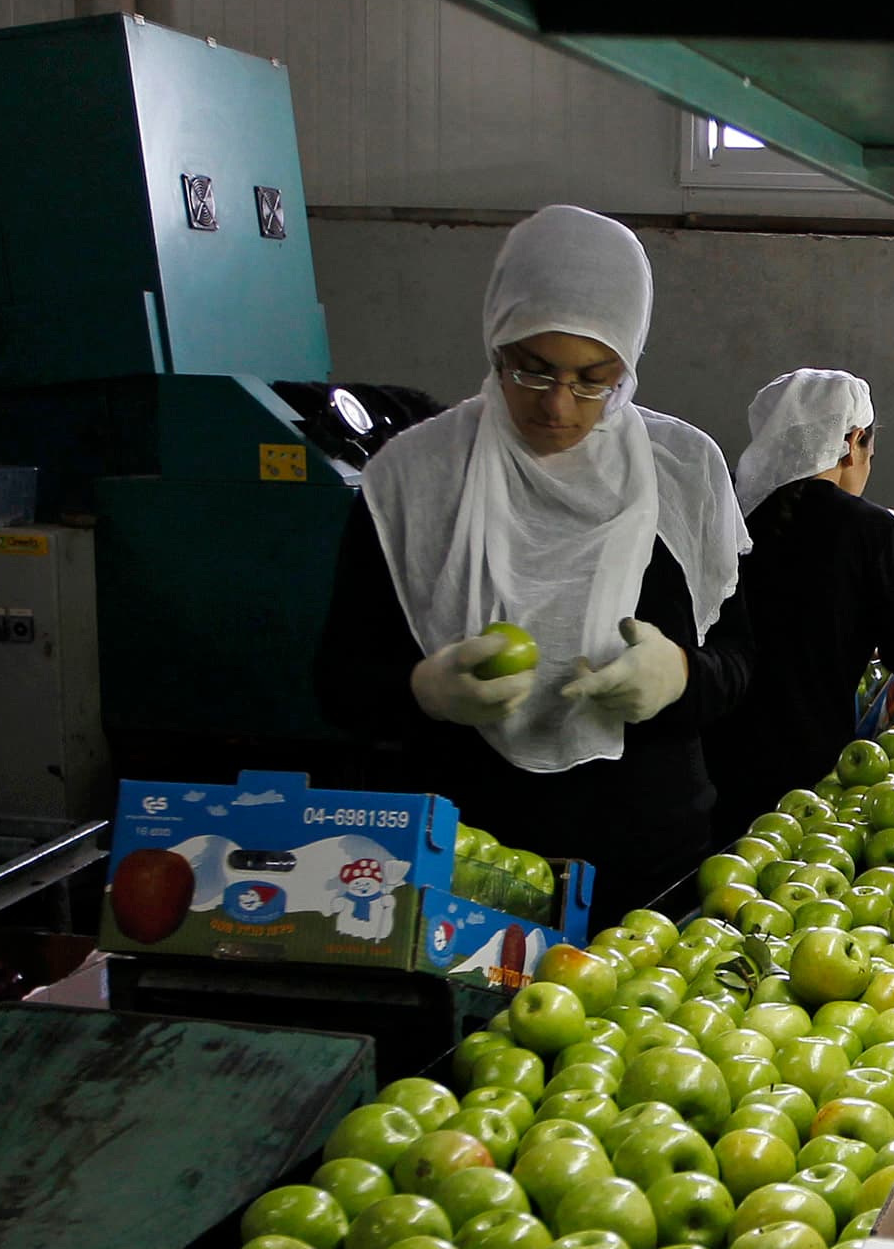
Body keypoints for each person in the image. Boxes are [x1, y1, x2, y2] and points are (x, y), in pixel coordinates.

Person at [313, 205, 751, 930]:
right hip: (461, 870)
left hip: (646, 869)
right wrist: (422, 689)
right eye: (531, 369)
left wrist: (681, 675)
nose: (556, 405)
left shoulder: (683, 474)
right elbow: (339, 682)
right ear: (494, 343)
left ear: (629, 365)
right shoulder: (415, 480)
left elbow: (741, 660)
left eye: (592, 379)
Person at [703, 368, 894, 832]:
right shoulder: (870, 530)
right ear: (854, 439)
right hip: (810, 780)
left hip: (712, 767)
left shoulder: (726, 518)